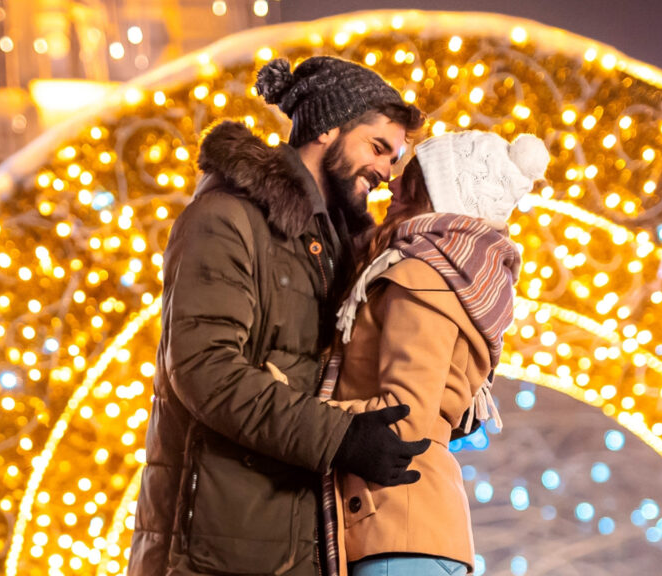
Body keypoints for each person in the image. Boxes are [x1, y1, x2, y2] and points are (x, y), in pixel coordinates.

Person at [128, 56, 428, 576]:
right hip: (214, 552)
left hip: (297, 547)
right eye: (378, 147)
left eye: (395, 158)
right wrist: (342, 438)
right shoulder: (226, 219)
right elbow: (205, 372)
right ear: (327, 125)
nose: (386, 171)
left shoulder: (340, 248)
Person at [319, 130, 550, 576]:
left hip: (395, 528)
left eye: (409, 178)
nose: (392, 186)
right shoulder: (458, 277)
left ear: (436, 192)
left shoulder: (421, 276)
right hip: (411, 532)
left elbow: (405, 416)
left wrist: (303, 416)